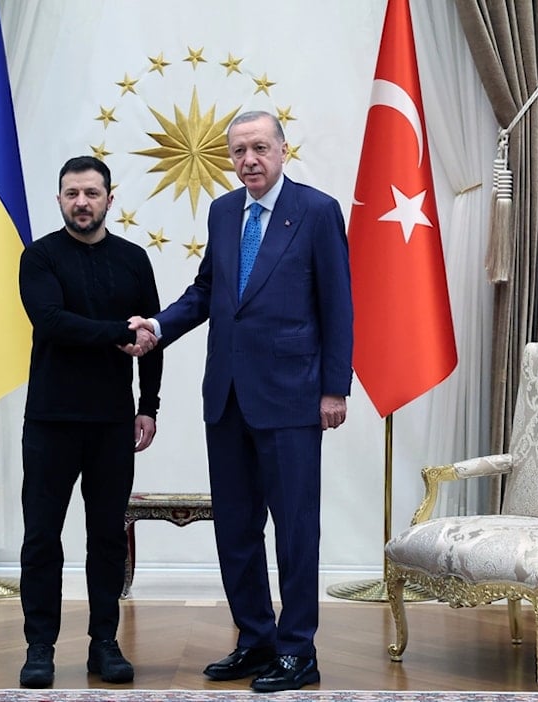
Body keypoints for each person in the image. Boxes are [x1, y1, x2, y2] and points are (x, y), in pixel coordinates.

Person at [129, 111, 353, 693]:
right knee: (235, 529)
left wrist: (335, 387)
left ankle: (298, 651)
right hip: (227, 397)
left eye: (259, 148)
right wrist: (158, 324)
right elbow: (208, 290)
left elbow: (338, 304)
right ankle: (256, 640)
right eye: (238, 151)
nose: (248, 160)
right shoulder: (225, 212)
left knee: (296, 529)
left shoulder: (317, 211)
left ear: (283, 149)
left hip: (293, 398)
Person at [17, 155, 162, 689]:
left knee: (105, 537)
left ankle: (105, 643)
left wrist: (149, 404)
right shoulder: (40, 257)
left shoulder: (132, 258)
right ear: (59, 200)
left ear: (109, 198)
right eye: (72, 193)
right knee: (41, 538)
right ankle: (39, 647)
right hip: (52, 420)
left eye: (91, 193)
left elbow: (151, 333)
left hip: (111, 423)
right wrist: (118, 336)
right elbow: (51, 322)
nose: (82, 202)